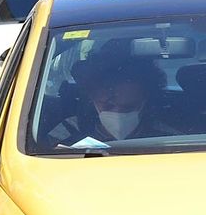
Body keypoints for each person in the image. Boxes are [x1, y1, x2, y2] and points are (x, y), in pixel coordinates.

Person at [46, 49, 175, 146]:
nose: (117, 113)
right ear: (92, 96)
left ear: (145, 101)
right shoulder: (67, 131)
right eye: (107, 105)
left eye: (128, 107)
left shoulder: (169, 139)